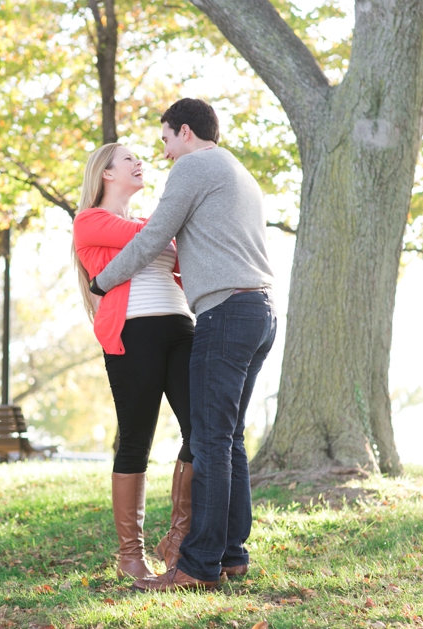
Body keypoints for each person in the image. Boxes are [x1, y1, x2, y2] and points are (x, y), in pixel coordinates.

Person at [89, 98, 276, 592]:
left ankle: (196, 564)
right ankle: (233, 555)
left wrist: (102, 282)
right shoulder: (237, 171)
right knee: (227, 438)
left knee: (212, 440)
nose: (164, 152)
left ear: (185, 132)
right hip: (259, 311)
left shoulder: (193, 168)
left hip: (224, 314)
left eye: (166, 139)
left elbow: (154, 236)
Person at [72, 142, 196, 579]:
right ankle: (130, 556)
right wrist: (173, 227)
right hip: (133, 332)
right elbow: (152, 238)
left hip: (181, 326)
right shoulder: (89, 221)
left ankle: (177, 539)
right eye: (128, 159)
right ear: (106, 174)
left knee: (202, 430)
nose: (139, 162)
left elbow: (176, 246)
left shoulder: (151, 223)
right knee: (136, 439)